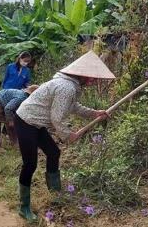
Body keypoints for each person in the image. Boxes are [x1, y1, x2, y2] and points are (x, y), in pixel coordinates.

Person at [14, 51, 115, 222]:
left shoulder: (70, 85)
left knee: (53, 153)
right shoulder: (66, 87)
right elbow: (57, 118)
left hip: (37, 123)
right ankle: (24, 207)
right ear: (82, 75)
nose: (93, 81)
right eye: (92, 78)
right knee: (30, 164)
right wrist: (69, 136)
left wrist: (94, 113)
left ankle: (54, 193)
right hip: (25, 121)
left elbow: (73, 107)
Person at [0, 85, 39, 151]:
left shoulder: (25, 98)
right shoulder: (21, 98)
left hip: (4, 103)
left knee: (11, 126)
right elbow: (8, 108)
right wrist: (10, 121)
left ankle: (15, 145)